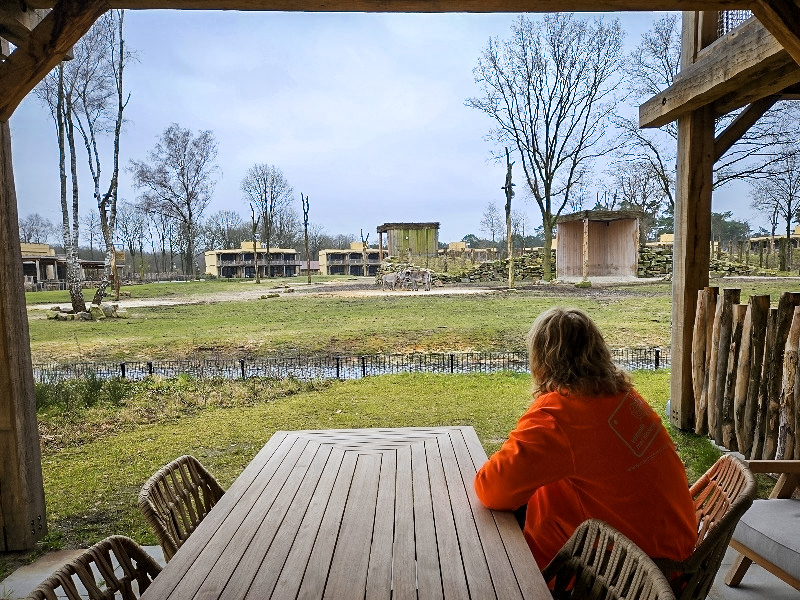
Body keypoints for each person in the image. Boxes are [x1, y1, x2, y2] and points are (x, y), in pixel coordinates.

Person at [474, 307, 697, 570]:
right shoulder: (623, 397)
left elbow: (492, 489)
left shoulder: (557, 416)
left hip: (623, 574)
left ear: (542, 361)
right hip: (673, 553)